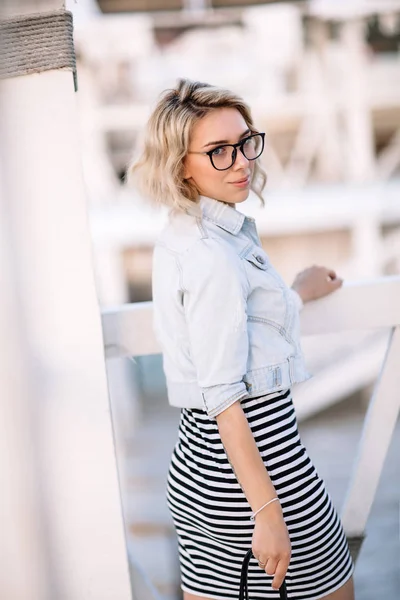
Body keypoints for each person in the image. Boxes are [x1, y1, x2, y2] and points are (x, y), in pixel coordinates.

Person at [129, 79, 355, 600]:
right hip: (257, 473)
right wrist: (268, 512)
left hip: (204, 471)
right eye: (219, 151)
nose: (241, 162)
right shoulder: (212, 258)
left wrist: (294, 296)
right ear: (180, 163)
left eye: (246, 142)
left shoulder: (183, 237)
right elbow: (226, 394)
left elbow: (230, 336)